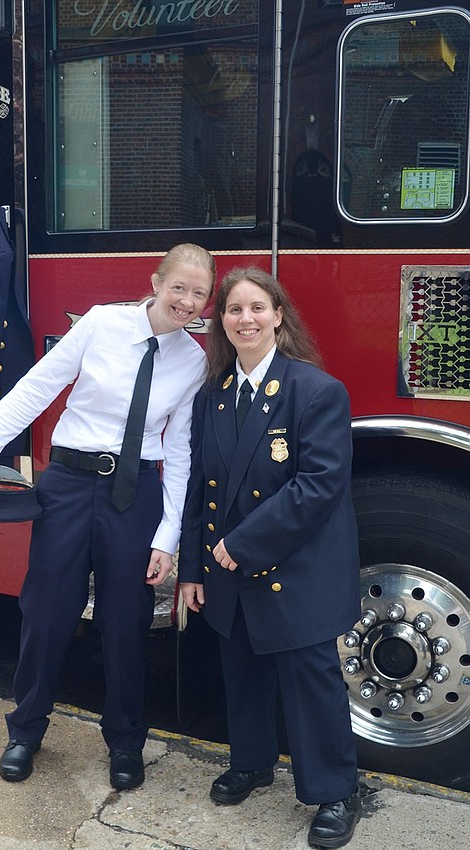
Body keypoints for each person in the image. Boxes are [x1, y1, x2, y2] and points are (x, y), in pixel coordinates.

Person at [0, 243, 216, 790]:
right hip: (70, 484)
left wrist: (167, 535)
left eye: (199, 294)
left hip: (136, 493)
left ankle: (125, 741)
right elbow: (37, 387)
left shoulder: (194, 360)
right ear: (155, 280)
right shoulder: (101, 325)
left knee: (127, 621)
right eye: (179, 288)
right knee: (47, 613)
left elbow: (182, 450)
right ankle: (25, 731)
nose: (188, 302)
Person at [178, 267, 362, 849]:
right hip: (230, 571)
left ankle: (335, 792)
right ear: (222, 323)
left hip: (295, 569)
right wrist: (192, 570)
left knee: (311, 686)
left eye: (257, 308)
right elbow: (199, 488)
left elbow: (318, 487)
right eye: (233, 310)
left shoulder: (316, 391)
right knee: (245, 675)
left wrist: (238, 547)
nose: (246, 319)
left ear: (279, 316)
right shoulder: (213, 396)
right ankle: (253, 763)